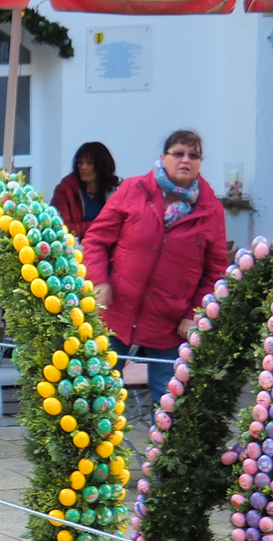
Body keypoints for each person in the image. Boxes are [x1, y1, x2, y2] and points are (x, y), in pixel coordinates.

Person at [81, 130, 227, 366]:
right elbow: (96, 239)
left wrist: (194, 315)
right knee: (97, 396)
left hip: (169, 326)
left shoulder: (211, 210)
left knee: (168, 401)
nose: (186, 160)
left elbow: (216, 271)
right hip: (116, 314)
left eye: (193, 155)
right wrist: (99, 281)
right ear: (163, 157)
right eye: (178, 153)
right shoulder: (132, 189)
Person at [51, 141, 120, 239]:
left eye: (89, 163)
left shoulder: (117, 190)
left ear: (102, 166)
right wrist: (101, 226)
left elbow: (123, 225)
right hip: (75, 249)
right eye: (80, 162)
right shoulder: (64, 190)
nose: (83, 167)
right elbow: (61, 228)